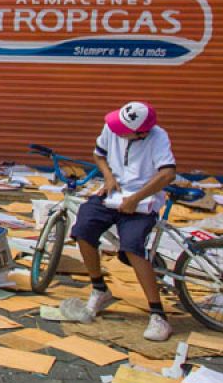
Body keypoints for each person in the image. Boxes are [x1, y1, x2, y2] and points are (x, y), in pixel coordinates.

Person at [70, 101, 179, 341]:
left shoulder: (158, 137)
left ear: (142, 133)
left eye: (124, 130)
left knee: (132, 247)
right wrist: (108, 177)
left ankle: (158, 315)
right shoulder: (113, 127)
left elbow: (168, 173)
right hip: (113, 194)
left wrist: (136, 198)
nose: (117, 131)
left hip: (142, 199)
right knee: (83, 228)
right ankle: (99, 288)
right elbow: (99, 154)